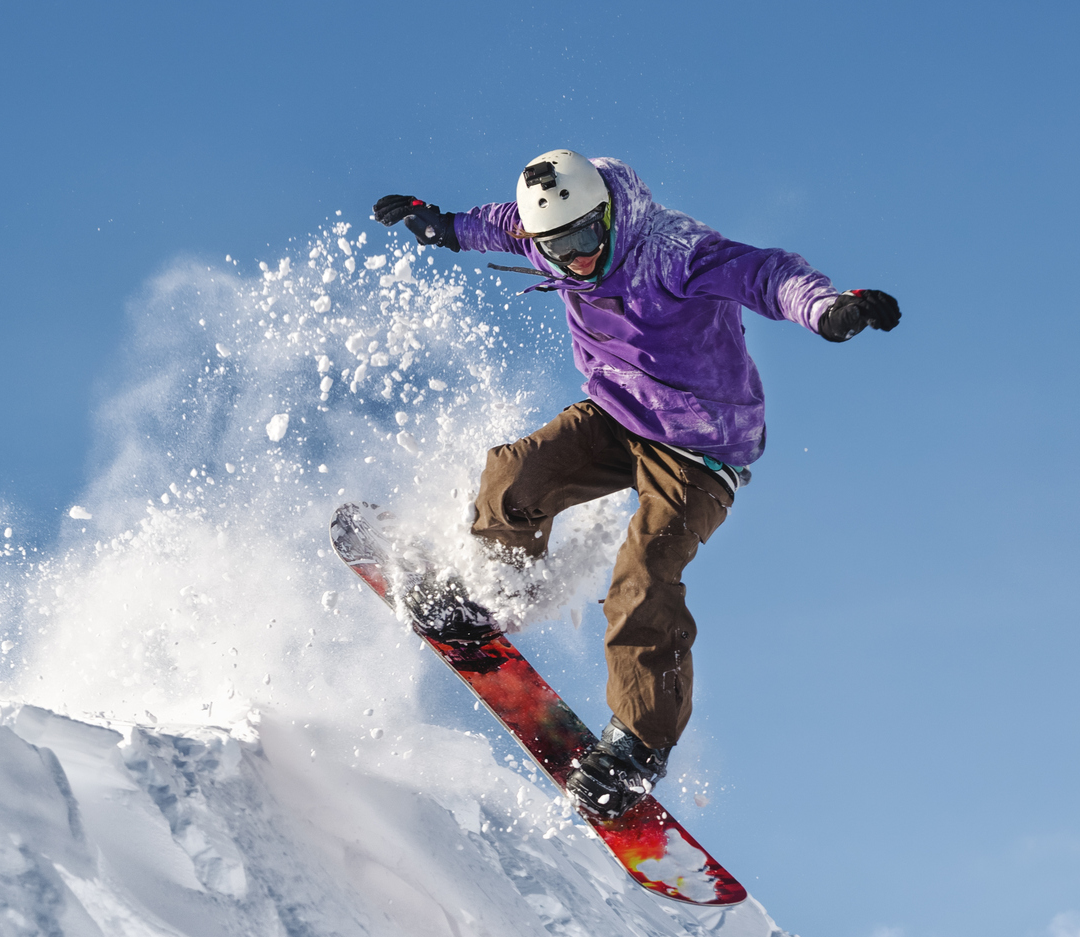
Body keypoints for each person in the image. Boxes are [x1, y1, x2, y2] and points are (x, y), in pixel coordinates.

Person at [372, 150, 899, 821]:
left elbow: (766, 274)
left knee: (642, 575)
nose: (578, 259)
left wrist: (826, 307)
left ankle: (639, 747)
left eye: (586, 238)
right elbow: (497, 226)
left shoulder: (672, 252)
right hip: (619, 414)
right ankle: (493, 587)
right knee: (514, 476)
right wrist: (442, 225)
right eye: (559, 248)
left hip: (700, 449)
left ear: (607, 215)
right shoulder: (546, 243)